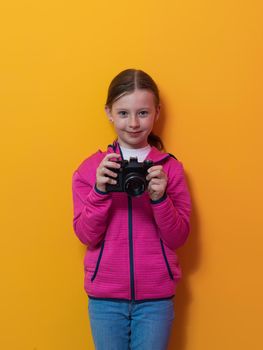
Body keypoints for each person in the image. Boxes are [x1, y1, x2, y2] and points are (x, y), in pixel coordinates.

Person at [71, 68, 192, 350]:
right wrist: (100, 191)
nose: (134, 123)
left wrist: (160, 198)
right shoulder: (92, 168)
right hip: (105, 299)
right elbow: (86, 235)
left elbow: (178, 238)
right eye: (123, 113)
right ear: (109, 113)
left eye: (143, 113)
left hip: (156, 299)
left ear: (157, 112)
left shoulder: (170, 168)